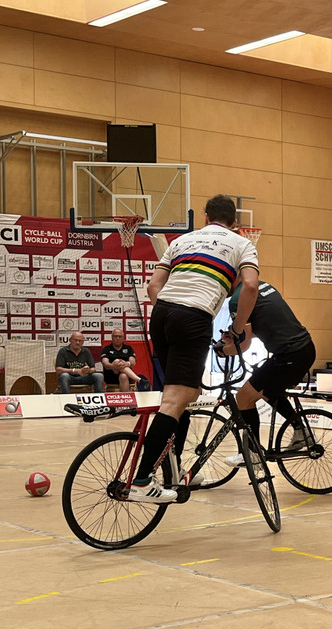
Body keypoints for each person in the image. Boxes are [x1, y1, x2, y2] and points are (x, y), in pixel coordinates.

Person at [126, 194, 260, 502]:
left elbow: (153, 286)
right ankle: (142, 481)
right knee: (175, 400)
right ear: (235, 222)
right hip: (194, 316)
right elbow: (251, 286)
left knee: (186, 394)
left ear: (205, 218)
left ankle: (173, 471)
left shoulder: (182, 241)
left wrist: (172, 313)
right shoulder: (241, 243)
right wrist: (238, 329)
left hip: (162, 314)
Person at [220, 280, 316, 466]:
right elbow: (264, 324)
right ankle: (301, 431)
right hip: (305, 350)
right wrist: (234, 335)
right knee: (268, 391)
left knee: (244, 397)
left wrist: (222, 351)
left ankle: (252, 453)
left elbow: (243, 346)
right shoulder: (262, 285)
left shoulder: (237, 299)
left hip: (288, 355)